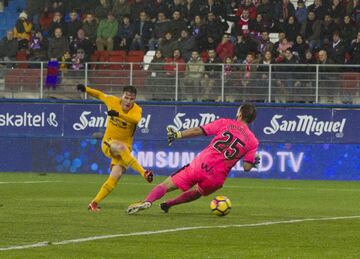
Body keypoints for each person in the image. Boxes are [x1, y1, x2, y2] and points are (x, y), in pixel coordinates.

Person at [127, 103, 260, 214]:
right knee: (197, 192)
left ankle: (147, 201)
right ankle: (169, 204)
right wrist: (253, 162)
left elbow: (199, 130)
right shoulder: (253, 141)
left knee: (167, 185)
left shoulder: (225, 123)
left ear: (240, 114)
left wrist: (178, 134)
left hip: (200, 165)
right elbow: (247, 167)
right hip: (216, 178)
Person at [76, 84, 154, 212]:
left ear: (135, 99)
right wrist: (86, 89)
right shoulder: (112, 101)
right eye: (126, 97)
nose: (128, 101)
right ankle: (144, 172)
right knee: (121, 146)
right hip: (109, 142)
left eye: (132, 99)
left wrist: (118, 114)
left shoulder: (137, 110)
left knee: (116, 175)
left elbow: (135, 120)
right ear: (122, 96)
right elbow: (99, 95)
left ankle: (94, 203)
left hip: (124, 150)